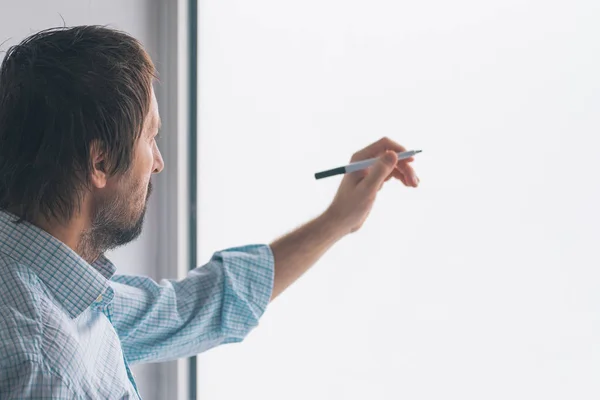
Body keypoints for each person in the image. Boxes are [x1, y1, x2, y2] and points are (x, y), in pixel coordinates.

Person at [0, 25, 419, 399]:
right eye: (151, 138)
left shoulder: (53, 285)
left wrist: (337, 221)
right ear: (101, 163)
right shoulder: (45, 364)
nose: (159, 162)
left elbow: (191, 308)